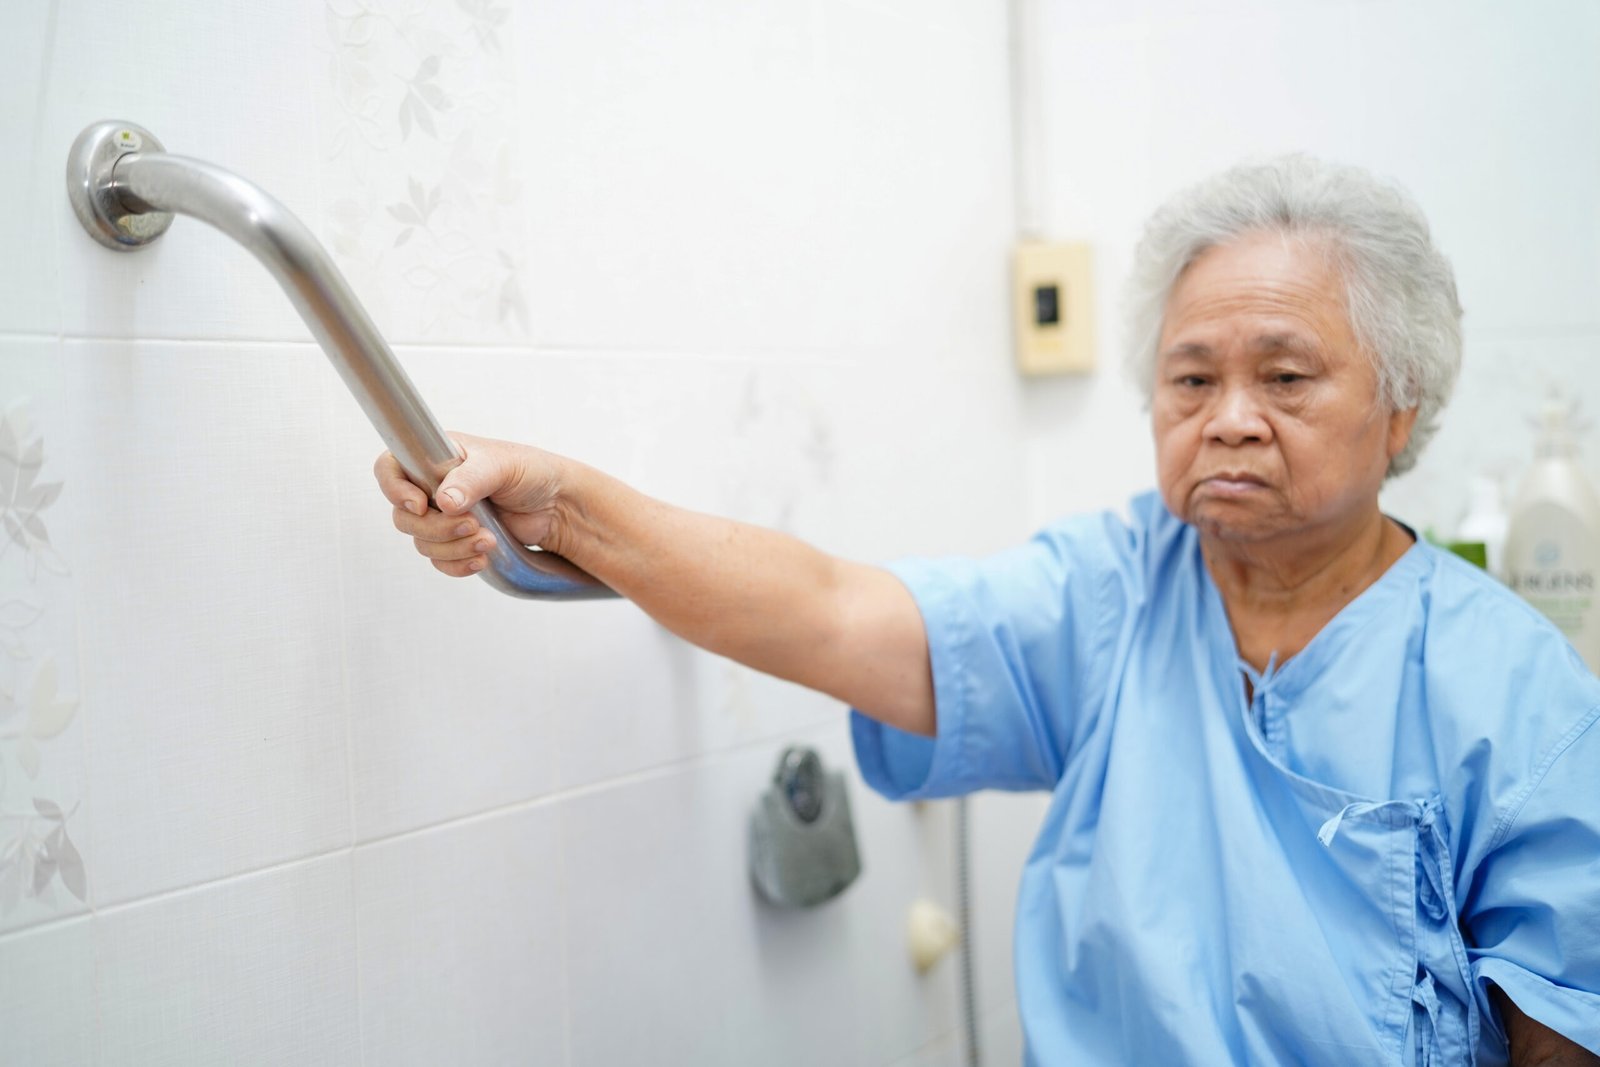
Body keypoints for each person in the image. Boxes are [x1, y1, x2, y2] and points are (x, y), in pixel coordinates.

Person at [373, 156, 1600, 1066]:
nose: (1227, 415)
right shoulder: (1113, 591)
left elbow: (1561, 1033)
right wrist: (568, 506)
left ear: (1400, 407)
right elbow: (829, 608)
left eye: (1284, 376)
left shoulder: (1512, 689)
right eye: (1189, 377)